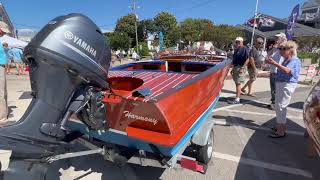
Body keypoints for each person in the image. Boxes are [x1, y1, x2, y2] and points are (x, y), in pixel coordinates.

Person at [265, 41, 301, 138]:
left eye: (283, 49)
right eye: (280, 48)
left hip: (287, 84)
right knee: (278, 105)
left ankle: (281, 131)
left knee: (281, 106)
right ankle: (280, 127)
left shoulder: (294, 60)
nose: (280, 51)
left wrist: (275, 64)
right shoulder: (285, 60)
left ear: (290, 50)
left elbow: (288, 71)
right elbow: (282, 70)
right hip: (281, 83)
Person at [267, 33, 287, 109]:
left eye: (277, 38)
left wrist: (280, 46)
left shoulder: (284, 48)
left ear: (282, 38)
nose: (276, 40)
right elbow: (268, 56)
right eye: (275, 38)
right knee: (273, 89)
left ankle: (277, 104)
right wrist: (273, 48)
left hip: (278, 71)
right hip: (272, 70)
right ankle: (273, 102)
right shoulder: (274, 48)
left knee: (277, 89)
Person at [228, 37, 249, 104]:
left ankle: (237, 99)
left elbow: (248, 59)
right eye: (236, 42)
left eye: (238, 42)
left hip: (240, 67)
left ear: (242, 42)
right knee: (237, 82)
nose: (237, 43)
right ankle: (238, 97)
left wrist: (242, 68)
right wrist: (232, 68)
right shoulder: (237, 49)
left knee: (238, 83)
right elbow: (234, 59)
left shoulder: (244, 48)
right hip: (236, 67)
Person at [0, 37, 8, 121]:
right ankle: (3, 114)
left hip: (1, 65)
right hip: (1, 65)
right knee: (3, 91)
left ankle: (2, 116)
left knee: (1, 91)